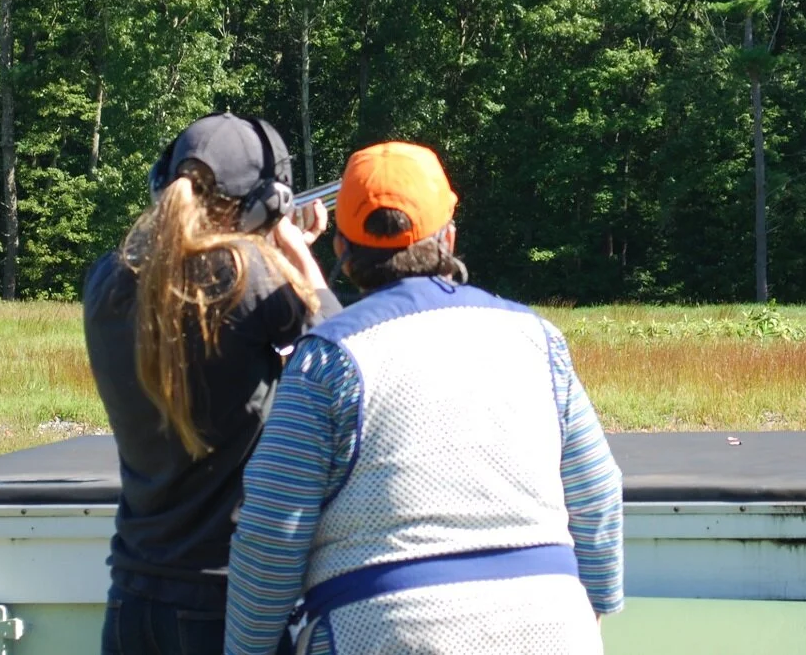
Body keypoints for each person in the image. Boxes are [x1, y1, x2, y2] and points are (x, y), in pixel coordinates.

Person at [223, 140, 624, 655]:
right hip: (553, 626)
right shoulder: (539, 339)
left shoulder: (325, 360)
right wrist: (589, 613)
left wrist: (247, 649)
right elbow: (597, 493)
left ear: (342, 251)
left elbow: (272, 534)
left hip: (383, 631)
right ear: (449, 237)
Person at [84, 113, 340, 655]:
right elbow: (344, 351)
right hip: (223, 600)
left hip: (131, 596)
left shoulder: (108, 278)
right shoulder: (248, 271)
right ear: (263, 205)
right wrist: (296, 252)